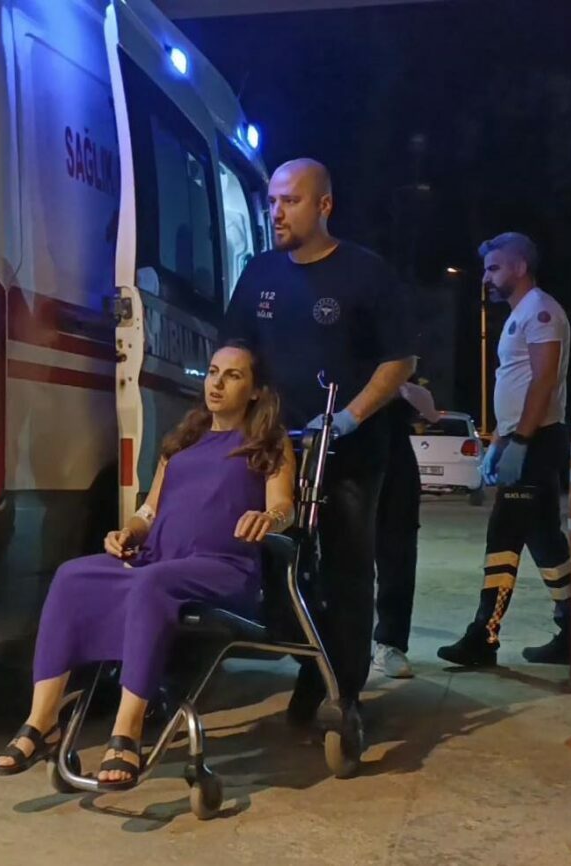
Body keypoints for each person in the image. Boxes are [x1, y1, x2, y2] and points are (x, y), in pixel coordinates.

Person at [0, 342, 296, 789]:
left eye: (232, 375)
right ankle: (43, 722)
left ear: (254, 390)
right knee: (73, 576)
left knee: (152, 582)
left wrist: (268, 518)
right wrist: (128, 532)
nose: (216, 383)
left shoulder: (268, 443)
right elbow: (149, 511)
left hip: (222, 568)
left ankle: (127, 731)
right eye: (213, 372)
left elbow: (284, 506)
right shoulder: (184, 441)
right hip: (159, 560)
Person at [221, 158, 415, 748]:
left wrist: (350, 416)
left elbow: (399, 360)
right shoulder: (259, 273)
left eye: (291, 201)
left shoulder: (365, 273)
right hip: (278, 455)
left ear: (324, 205)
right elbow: (234, 349)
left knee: (347, 570)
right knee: (284, 566)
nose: (276, 212)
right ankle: (312, 666)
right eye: (272, 201)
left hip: (351, 453)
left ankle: (344, 694)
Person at [438, 233, 571, 667]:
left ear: (519, 267)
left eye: (494, 268)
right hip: (525, 438)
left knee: (504, 536)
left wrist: (522, 441)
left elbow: (543, 380)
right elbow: (516, 389)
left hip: (536, 441)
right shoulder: (522, 313)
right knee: (544, 539)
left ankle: (483, 637)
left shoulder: (541, 311)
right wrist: (499, 441)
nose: (486, 278)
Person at [373, 377, 442, 679]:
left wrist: (398, 385)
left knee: (397, 558)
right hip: (344, 455)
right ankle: (338, 643)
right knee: (341, 561)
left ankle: (390, 643)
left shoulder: (396, 371)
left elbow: (430, 411)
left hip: (395, 463)